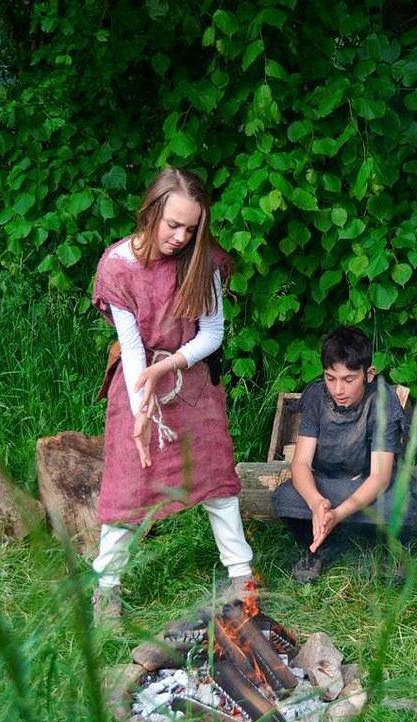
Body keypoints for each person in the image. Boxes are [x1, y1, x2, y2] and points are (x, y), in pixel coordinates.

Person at [90, 167, 253, 621]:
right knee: (128, 482)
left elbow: (213, 332)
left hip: (190, 379)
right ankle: (107, 588)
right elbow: (131, 345)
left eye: (191, 227)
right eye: (173, 225)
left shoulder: (205, 260)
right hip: (137, 379)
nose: (181, 236)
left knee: (217, 479)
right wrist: (142, 409)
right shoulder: (117, 265)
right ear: (151, 211)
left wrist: (170, 364)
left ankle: (241, 575)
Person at [271, 326, 417, 583]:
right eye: (331, 378)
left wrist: (338, 514)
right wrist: (317, 502)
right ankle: (318, 547)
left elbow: (380, 477)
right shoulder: (317, 396)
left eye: (348, 379)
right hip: (327, 484)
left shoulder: (382, 401)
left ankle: (389, 549)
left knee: (402, 503)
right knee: (284, 498)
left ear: (369, 374)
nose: (338, 389)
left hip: (369, 484)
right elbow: (301, 463)